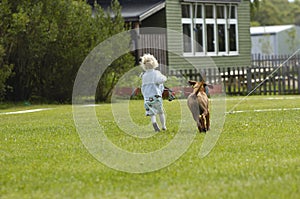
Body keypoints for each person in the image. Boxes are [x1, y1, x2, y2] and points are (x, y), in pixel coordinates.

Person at [140, 54, 167, 132]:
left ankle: (154, 123)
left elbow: (143, 87)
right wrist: (165, 78)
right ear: (154, 63)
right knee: (160, 112)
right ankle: (163, 126)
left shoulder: (144, 75)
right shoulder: (156, 73)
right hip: (156, 96)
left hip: (147, 97)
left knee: (152, 113)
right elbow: (160, 80)